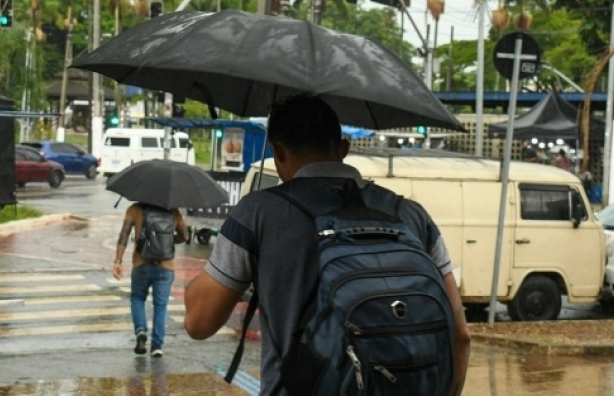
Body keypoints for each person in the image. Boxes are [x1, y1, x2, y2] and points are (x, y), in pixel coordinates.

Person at [183, 94, 470, 395]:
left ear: (278, 153)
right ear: (343, 149)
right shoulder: (411, 215)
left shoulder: (257, 214)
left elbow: (199, 322)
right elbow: (460, 336)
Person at [112, 203, 188, 357]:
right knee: (160, 305)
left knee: (137, 298)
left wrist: (118, 261)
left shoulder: (134, 209)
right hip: (165, 266)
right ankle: (157, 346)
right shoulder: (173, 211)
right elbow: (185, 236)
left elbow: (124, 235)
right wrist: (166, 241)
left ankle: (140, 330)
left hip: (141, 263)